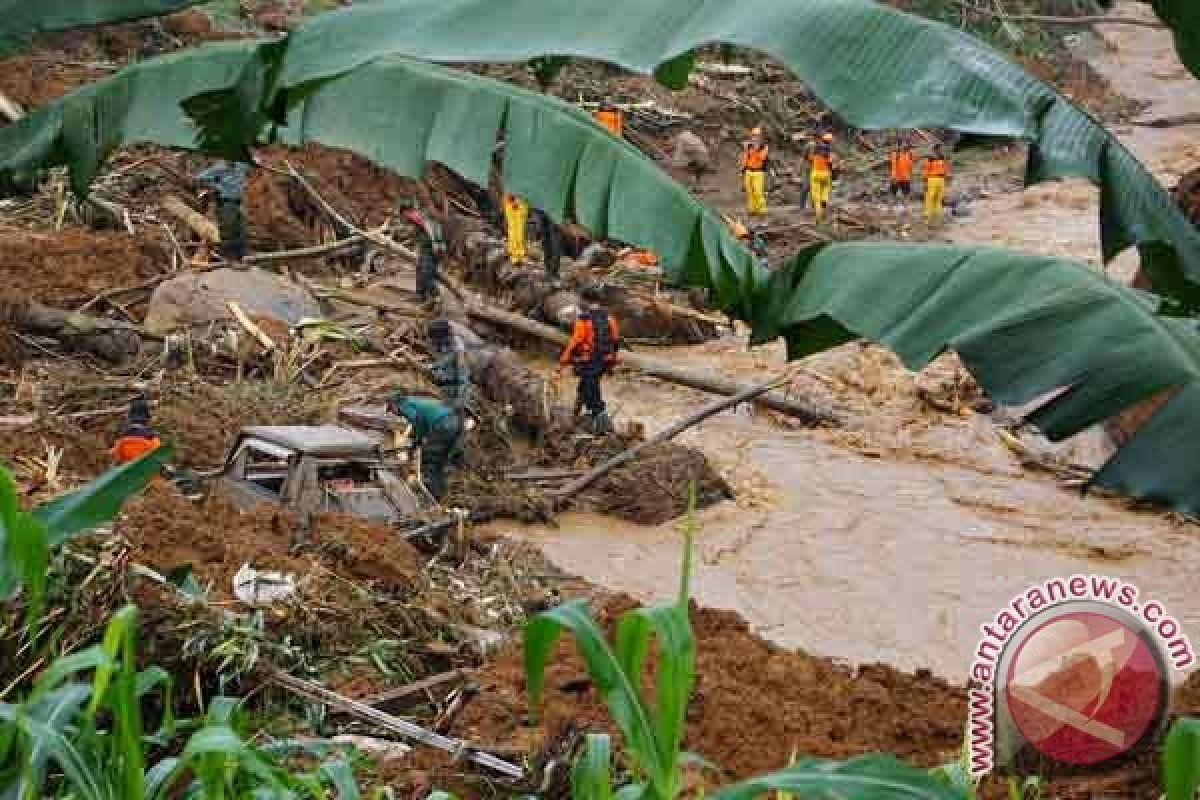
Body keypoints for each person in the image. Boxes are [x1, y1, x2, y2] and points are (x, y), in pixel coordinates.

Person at [557, 286, 620, 434]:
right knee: (585, 387)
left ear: (585, 301)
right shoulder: (610, 318)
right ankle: (576, 415)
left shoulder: (583, 321)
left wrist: (562, 363)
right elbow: (616, 342)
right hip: (605, 361)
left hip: (589, 361)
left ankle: (603, 425)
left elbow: (575, 343)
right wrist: (612, 362)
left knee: (592, 393)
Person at [386, 393, 462, 501]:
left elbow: (418, 422)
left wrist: (416, 442)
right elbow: (423, 423)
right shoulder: (416, 401)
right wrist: (418, 441)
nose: (394, 413)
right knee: (441, 460)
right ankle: (442, 493)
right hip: (455, 421)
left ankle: (433, 496)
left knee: (429, 460)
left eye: (391, 410)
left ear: (394, 405)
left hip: (442, 424)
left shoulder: (405, 406)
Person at [195, 159, 252, 261]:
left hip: (238, 202)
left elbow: (254, 164)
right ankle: (229, 257)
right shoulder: (219, 168)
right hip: (225, 202)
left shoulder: (241, 165)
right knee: (228, 230)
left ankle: (243, 256)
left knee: (241, 228)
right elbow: (200, 178)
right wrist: (217, 187)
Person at [399, 199, 446, 307]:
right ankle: (420, 295)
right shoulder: (417, 215)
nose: (403, 217)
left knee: (426, 274)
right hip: (426, 249)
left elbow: (428, 227)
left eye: (402, 214)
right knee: (420, 270)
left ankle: (436, 298)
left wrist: (435, 243)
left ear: (405, 211)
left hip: (431, 249)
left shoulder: (414, 216)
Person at [427, 318, 470, 416]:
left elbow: (462, 378)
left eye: (435, 339)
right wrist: (434, 366)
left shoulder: (458, 348)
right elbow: (446, 358)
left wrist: (458, 401)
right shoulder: (446, 340)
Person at [111, 395, 162, 465]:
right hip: (149, 475)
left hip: (129, 475)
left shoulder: (120, 441)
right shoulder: (153, 440)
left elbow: (116, 463)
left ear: (130, 419)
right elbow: (159, 461)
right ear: (147, 419)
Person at [740, 127, 770, 216]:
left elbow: (762, 157)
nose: (755, 138)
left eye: (757, 136)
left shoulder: (764, 146)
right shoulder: (749, 146)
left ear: (761, 137)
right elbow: (746, 158)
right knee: (749, 191)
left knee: (758, 191)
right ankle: (752, 209)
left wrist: (756, 149)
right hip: (748, 171)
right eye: (754, 135)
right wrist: (742, 169)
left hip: (758, 172)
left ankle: (762, 210)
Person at [808, 132, 836, 223]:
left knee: (816, 196)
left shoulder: (815, 149)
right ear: (830, 141)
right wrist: (832, 171)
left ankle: (818, 216)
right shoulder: (829, 152)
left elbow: (810, 158)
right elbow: (831, 163)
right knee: (826, 188)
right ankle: (824, 199)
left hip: (815, 173)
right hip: (825, 173)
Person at [923, 143, 951, 224]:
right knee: (930, 197)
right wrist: (925, 181)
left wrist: (947, 176)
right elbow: (926, 170)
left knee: (939, 198)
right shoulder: (930, 158)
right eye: (938, 148)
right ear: (935, 149)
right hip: (932, 179)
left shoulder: (943, 158)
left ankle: (937, 216)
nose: (940, 150)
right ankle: (927, 217)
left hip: (941, 179)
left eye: (940, 148)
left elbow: (945, 168)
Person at [532, 208, 563, 278]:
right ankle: (549, 270)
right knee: (547, 242)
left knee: (554, 242)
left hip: (553, 212)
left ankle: (553, 270)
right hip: (542, 210)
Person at [888, 138, 915, 213]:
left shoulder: (910, 154)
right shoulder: (895, 154)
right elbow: (893, 166)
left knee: (906, 194)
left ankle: (906, 210)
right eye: (903, 144)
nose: (905, 145)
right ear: (899, 145)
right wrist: (893, 177)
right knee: (893, 194)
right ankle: (890, 210)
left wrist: (910, 176)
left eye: (906, 143)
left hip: (906, 178)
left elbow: (910, 166)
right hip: (896, 178)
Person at [503, 193, 529, 265]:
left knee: (517, 230)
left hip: (518, 202)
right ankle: (515, 254)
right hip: (512, 201)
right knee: (514, 229)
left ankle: (517, 254)